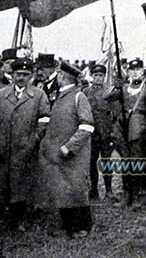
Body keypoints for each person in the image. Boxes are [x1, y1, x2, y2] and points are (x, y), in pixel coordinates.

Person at [38, 61, 94, 238]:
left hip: (73, 155)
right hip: (59, 154)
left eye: (58, 76)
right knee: (64, 189)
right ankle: (69, 226)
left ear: (62, 77)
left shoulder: (79, 97)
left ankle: (82, 227)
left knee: (76, 188)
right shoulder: (60, 97)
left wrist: (69, 147)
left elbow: (87, 126)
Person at [0, 57, 50, 232]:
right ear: (12, 75)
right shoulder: (2, 94)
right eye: (18, 74)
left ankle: (19, 219)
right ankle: (5, 216)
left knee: (21, 183)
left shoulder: (38, 95)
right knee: (3, 182)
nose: (21, 78)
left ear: (31, 76)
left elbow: (44, 120)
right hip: (4, 147)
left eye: (25, 74)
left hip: (26, 148)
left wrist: (34, 139)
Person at [109, 58, 146, 209]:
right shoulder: (123, 89)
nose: (135, 73)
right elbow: (107, 99)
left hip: (138, 132)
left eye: (138, 70)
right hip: (123, 130)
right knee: (125, 162)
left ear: (143, 72)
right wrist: (116, 87)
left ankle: (136, 196)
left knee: (136, 163)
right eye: (132, 70)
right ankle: (126, 194)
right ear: (128, 72)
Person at [83, 64, 114, 200]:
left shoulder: (109, 92)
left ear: (104, 77)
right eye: (96, 75)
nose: (98, 78)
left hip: (105, 133)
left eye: (101, 75)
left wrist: (112, 133)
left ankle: (109, 190)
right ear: (92, 76)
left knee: (106, 162)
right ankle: (94, 190)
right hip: (91, 134)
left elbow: (114, 114)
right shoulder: (85, 93)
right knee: (92, 163)